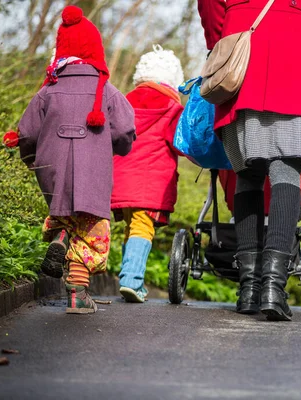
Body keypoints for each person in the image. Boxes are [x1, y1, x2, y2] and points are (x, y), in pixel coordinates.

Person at [198, 0, 301, 321]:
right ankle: (273, 287)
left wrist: (221, 40)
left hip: (241, 47)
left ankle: (249, 289)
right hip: (295, 46)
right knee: (287, 166)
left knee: (247, 171)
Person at [18, 5, 136, 314]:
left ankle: (59, 233)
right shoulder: (106, 90)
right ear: (95, 48)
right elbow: (125, 130)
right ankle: (78, 295)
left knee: (65, 213)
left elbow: (26, 132)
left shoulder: (48, 90)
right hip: (92, 173)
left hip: (51, 169)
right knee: (91, 230)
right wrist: (118, 148)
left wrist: (30, 157)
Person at [111, 45, 185, 303]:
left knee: (131, 227)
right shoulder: (173, 108)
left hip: (120, 178)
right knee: (143, 226)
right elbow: (181, 144)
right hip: (151, 181)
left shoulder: (123, 101)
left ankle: (129, 278)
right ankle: (132, 280)